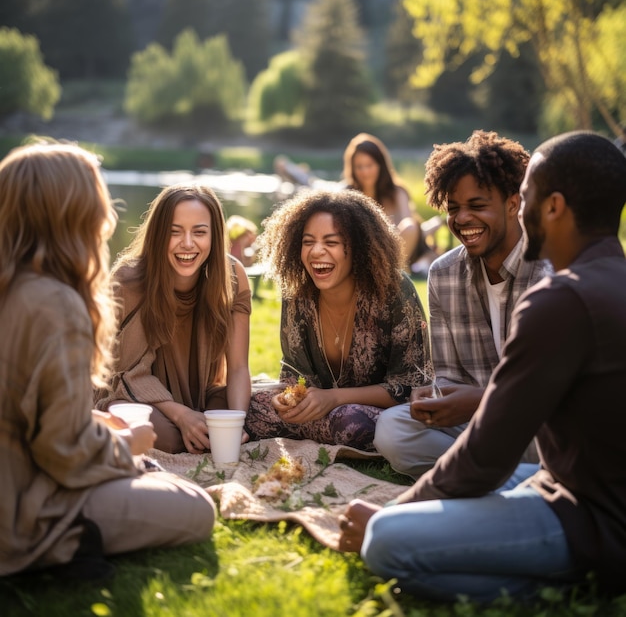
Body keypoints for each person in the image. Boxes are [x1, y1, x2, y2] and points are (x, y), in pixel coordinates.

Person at [338, 130, 626, 601]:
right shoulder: (608, 281)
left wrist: (391, 514)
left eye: (526, 196)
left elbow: (484, 459)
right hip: (562, 481)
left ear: (551, 206)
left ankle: (568, 589)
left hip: (592, 521)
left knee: (387, 541)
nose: (522, 207)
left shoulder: (560, 298)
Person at [0, 141, 216, 580]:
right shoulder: (55, 304)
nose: (108, 214)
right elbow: (62, 451)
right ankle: (58, 548)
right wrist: (130, 444)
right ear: (72, 212)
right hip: (22, 509)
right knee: (196, 507)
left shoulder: (17, 286)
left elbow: (28, 415)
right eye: (98, 197)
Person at [374, 130, 550, 479]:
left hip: (541, 421)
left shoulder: (548, 271)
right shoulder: (444, 274)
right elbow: (449, 373)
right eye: (454, 209)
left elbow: (551, 389)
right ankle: (509, 479)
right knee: (392, 429)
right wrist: (436, 396)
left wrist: (482, 400)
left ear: (513, 203)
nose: (462, 219)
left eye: (477, 205)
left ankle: (485, 476)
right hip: (479, 427)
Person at [244, 188, 431, 451]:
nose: (316, 251)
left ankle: (312, 432)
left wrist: (333, 399)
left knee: (351, 422)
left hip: (370, 413)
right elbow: (295, 374)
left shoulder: (395, 290)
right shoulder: (297, 293)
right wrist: (287, 400)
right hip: (321, 411)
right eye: (308, 242)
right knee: (250, 404)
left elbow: (410, 386)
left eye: (331, 242)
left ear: (359, 249)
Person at [95, 183, 252, 454]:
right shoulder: (129, 281)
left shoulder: (232, 276)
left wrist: (234, 426)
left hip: (200, 393)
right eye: (174, 232)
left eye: (200, 232)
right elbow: (126, 375)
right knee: (165, 438)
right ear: (157, 235)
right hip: (134, 395)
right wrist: (180, 415)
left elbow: (238, 367)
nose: (188, 244)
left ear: (214, 235)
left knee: (237, 417)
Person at [342, 132, 438, 275]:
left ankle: (392, 274)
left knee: (410, 226)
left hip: (397, 251)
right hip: (363, 252)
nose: (365, 172)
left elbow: (409, 227)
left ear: (380, 165)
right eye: (359, 167)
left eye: (369, 165)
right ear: (352, 168)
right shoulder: (346, 193)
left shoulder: (397, 192)